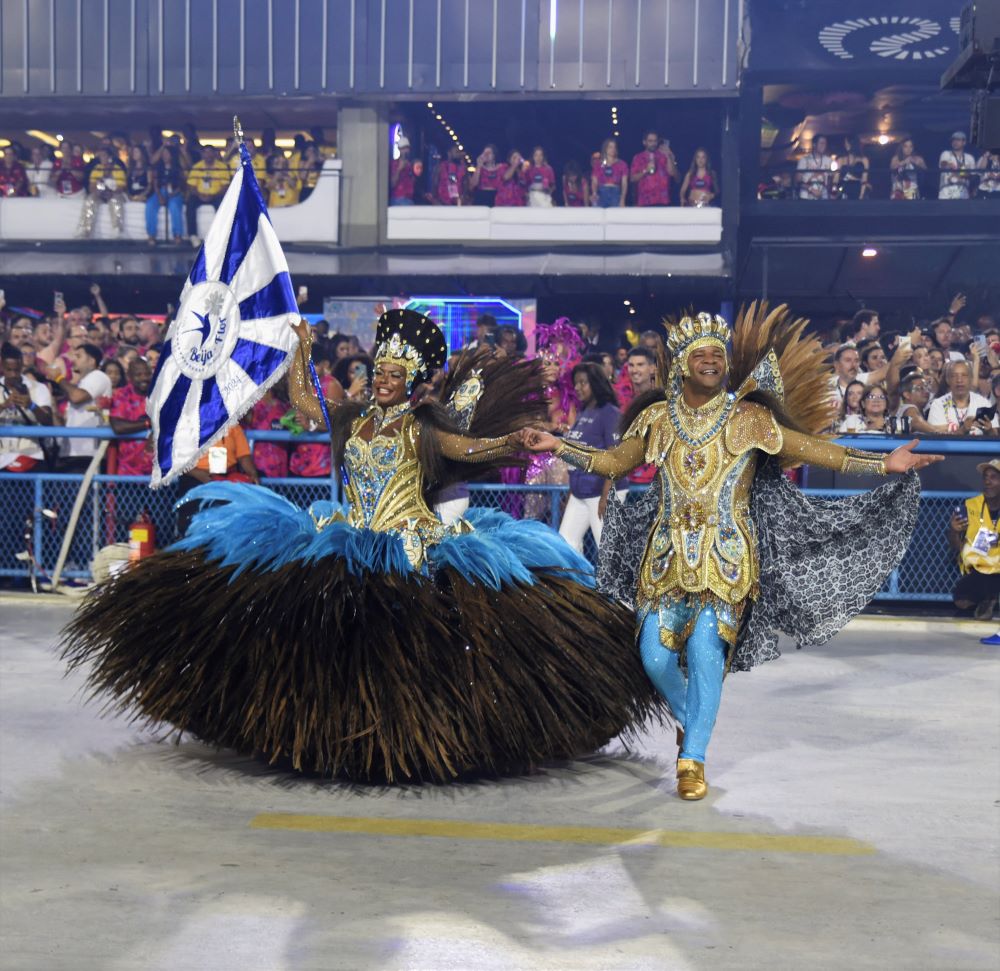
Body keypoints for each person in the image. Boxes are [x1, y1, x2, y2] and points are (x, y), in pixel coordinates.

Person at [63, 308, 660, 784]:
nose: (382, 378)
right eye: (379, 369)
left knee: (410, 646)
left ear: (412, 380)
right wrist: (300, 351)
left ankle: (414, 738)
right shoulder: (354, 419)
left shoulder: (425, 427)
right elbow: (306, 406)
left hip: (412, 542)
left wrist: (522, 438)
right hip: (351, 533)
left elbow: (470, 452)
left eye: (394, 373)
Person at [517, 307, 941, 800]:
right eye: (702, 355)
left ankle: (693, 756)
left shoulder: (750, 418)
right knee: (654, 657)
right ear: (681, 365)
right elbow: (613, 462)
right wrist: (558, 444)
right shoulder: (657, 419)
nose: (712, 362)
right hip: (665, 559)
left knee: (703, 654)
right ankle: (688, 718)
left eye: (718, 355)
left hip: (727, 557)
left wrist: (881, 464)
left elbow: (811, 448)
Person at [558, 363, 628, 553]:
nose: (578, 387)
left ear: (596, 383)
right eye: (576, 383)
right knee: (566, 547)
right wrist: (571, 492)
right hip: (581, 493)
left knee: (608, 551)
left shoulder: (609, 413)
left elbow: (616, 457)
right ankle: (578, 583)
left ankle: (617, 584)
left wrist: (607, 496)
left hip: (602, 492)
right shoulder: (583, 412)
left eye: (583, 383)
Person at [950, 460, 1000, 619]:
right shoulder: (971, 505)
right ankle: (989, 597)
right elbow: (955, 545)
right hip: (979, 570)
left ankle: (989, 597)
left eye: (994, 477)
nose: (987, 481)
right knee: (961, 600)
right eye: (985, 477)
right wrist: (953, 530)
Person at [51, 342, 112, 473]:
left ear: (91, 361)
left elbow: (77, 397)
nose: (73, 360)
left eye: (78, 356)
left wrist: (58, 378)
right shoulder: (81, 384)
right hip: (70, 452)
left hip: (88, 453)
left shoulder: (98, 376)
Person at [0, 343, 53, 473]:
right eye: (9, 370)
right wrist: (3, 406)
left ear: (22, 365)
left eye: (16, 370)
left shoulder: (38, 388)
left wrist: (31, 405)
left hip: (31, 456)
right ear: (1, 366)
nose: (13, 374)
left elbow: (48, 421)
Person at [108, 358, 154, 477]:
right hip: (128, 471)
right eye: (138, 375)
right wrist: (149, 424)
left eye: (147, 374)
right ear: (129, 377)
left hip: (157, 472)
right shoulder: (122, 394)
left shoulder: (159, 393)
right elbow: (118, 426)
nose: (144, 378)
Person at [926, 361, 998, 435]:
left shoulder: (983, 403)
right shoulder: (938, 405)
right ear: (948, 380)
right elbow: (936, 439)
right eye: (954, 375)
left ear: (971, 379)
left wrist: (989, 430)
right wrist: (961, 431)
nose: (959, 380)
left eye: (964, 375)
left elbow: (996, 435)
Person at [185, 144, 230, 247]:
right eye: (205, 152)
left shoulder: (222, 167)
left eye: (210, 152)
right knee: (190, 203)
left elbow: (225, 186)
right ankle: (193, 236)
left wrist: (213, 195)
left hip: (216, 195)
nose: (208, 155)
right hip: (199, 195)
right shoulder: (197, 167)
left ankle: (222, 236)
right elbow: (191, 186)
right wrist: (200, 194)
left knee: (223, 205)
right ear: (202, 154)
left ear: (215, 154)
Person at [76, 147, 126, 238]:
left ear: (110, 157)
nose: (102, 158)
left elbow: (121, 187)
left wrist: (111, 192)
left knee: (116, 201)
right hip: (100, 194)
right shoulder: (96, 169)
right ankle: (85, 230)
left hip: (114, 194)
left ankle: (117, 230)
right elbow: (91, 186)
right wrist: (98, 192)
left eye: (104, 156)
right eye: (100, 156)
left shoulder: (117, 169)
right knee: (90, 200)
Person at [147, 145, 185, 244]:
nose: (164, 156)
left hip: (175, 192)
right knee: (150, 205)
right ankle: (151, 235)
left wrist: (173, 194)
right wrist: (159, 195)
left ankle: (177, 235)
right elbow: (155, 183)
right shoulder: (158, 168)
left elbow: (181, 184)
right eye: (163, 154)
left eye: (167, 154)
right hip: (160, 191)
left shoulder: (178, 168)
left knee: (174, 206)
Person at [629, 131, 677, 207]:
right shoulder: (638, 157)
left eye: (655, 141)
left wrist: (668, 155)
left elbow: (672, 173)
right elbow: (632, 178)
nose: (653, 143)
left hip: (662, 200)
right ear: (644, 142)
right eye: (650, 141)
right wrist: (645, 171)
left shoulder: (663, 156)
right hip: (645, 200)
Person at [938, 132, 976, 200]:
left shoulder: (970, 158)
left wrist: (962, 174)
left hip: (963, 193)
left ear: (964, 142)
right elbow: (943, 164)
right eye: (953, 140)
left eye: (958, 140)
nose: (955, 142)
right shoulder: (946, 153)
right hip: (946, 193)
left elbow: (973, 176)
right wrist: (950, 166)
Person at [592, 139, 629, 208]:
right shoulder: (599, 165)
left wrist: (623, 198)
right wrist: (594, 193)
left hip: (615, 193)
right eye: (610, 147)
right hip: (602, 192)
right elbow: (594, 181)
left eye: (614, 147)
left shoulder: (622, 164)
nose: (613, 149)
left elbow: (624, 183)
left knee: (615, 217)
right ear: (605, 148)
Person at [795, 135, 833, 199]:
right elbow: (798, 180)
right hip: (806, 198)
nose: (824, 145)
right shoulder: (804, 160)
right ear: (814, 144)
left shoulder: (829, 160)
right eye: (821, 143)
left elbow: (831, 179)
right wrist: (811, 189)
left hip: (823, 198)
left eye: (825, 143)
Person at [835, 135, 870, 200]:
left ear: (853, 143)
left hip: (857, 189)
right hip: (844, 188)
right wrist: (834, 190)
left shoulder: (864, 159)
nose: (846, 145)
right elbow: (836, 177)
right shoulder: (841, 159)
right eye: (845, 143)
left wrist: (861, 196)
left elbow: (864, 178)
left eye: (847, 143)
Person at [389, 136, 415, 206]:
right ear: (399, 149)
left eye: (407, 148)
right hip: (397, 199)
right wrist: (399, 169)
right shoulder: (394, 163)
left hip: (409, 200)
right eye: (403, 148)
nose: (405, 150)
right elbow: (392, 184)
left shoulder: (411, 165)